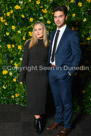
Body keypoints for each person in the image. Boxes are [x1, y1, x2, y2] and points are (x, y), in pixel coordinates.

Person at [47, 5, 82, 136]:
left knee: (66, 101)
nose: (57, 19)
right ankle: (59, 120)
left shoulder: (72, 35)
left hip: (64, 72)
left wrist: (69, 72)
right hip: (52, 71)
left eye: (60, 16)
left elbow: (77, 55)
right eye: (55, 17)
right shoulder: (52, 33)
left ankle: (67, 126)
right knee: (57, 99)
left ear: (65, 17)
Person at [18, 22, 49, 133]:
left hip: (43, 76)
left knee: (41, 98)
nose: (37, 32)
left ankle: (38, 119)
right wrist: (21, 76)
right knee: (33, 98)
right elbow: (24, 61)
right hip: (31, 76)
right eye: (35, 30)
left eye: (40, 29)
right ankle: (38, 120)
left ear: (43, 30)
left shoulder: (48, 44)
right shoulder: (29, 43)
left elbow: (50, 62)